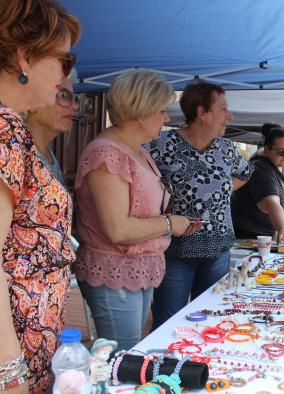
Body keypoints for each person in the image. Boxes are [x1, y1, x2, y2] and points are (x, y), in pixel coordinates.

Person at [0, 1, 80, 391]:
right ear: (24, 58)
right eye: (65, 60)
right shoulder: (0, 125)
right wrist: (6, 377)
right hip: (6, 360)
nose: (66, 75)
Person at [74, 69, 200, 350]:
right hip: (114, 270)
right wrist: (169, 224)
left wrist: (173, 222)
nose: (166, 118)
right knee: (123, 355)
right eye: (161, 110)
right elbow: (117, 229)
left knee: (128, 352)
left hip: (138, 269)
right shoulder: (107, 153)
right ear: (141, 112)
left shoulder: (136, 149)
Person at [149, 81, 253, 330]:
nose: (230, 116)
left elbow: (246, 173)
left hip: (218, 250)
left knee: (209, 320)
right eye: (223, 109)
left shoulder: (226, 149)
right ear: (201, 112)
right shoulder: (162, 144)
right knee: (168, 323)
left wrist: (221, 189)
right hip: (176, 252)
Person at [231, 123, 284, 243]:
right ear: (267, 149)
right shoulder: (260, 169)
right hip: (247, 236)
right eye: (281, 152)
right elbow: (272, 203)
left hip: (265, 235)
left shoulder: (279, 165)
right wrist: (281, 227)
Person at [24, 74, 80, 185]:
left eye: (75, 98)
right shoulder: (15, 151)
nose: (75, 106)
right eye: (63, 95)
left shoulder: (47, 149)